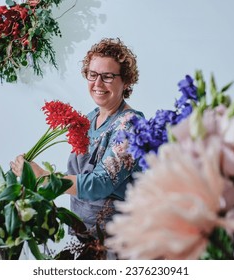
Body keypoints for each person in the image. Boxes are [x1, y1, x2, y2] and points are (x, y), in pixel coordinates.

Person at [10, 37, 144, 236]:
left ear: (125, 81)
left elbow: (99, 184)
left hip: (116, 238)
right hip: (82, 231)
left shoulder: (130, 125)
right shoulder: (90, 118)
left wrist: (44, 178)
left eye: (107, 76)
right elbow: (79, 174)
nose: (97, 83)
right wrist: (35, 178)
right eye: (92, 74)